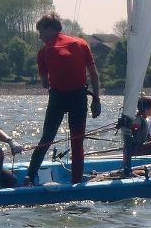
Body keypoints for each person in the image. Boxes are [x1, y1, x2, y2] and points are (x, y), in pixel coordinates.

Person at [27, 12, 101, 185]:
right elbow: (94, 74)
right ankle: (76, 183)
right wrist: (96, 99)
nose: (40, 36)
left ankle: (29, 177)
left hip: (58, 98)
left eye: (40, 32)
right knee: (77, 142)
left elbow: (45, 83)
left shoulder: (43, 52)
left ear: (49, 29)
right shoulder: (81, 43)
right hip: (79, 97)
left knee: (46, 139)